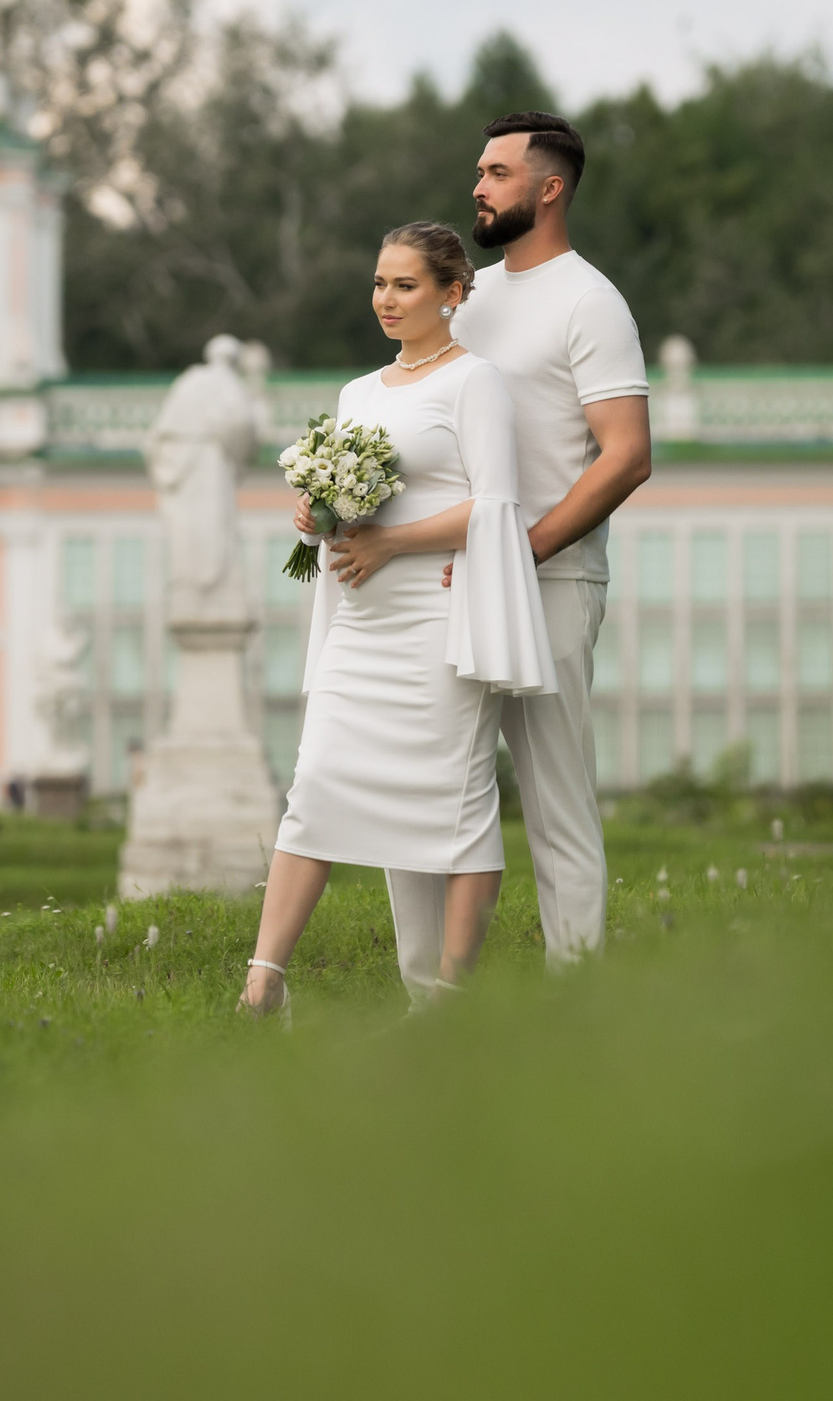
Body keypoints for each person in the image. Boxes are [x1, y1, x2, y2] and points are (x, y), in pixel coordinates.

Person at [239, 223, 555, 1017]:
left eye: (405, 285)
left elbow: (494, 505)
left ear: (452, 293)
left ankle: (448, 998)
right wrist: (316, 513)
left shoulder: (475, 383)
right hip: (361, 624)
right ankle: (263, 980)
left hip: (438, 623)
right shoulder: (358, 393)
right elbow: (348, 515)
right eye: (380, 283)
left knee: (455, 807)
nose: (386, 298)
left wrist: (392, 544)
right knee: (312, 789)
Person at [387, 112, 653, 999]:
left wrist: (522, 549)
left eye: (497, 173)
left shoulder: (591, 300)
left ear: (550, 188)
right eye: (478, 171)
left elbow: (627, 453)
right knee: (424, 791)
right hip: (447, 580)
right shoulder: (469, 296)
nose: (478, 187)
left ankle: (574, 1006)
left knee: (556, 805)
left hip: (552, 583)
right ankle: (430, 1004)